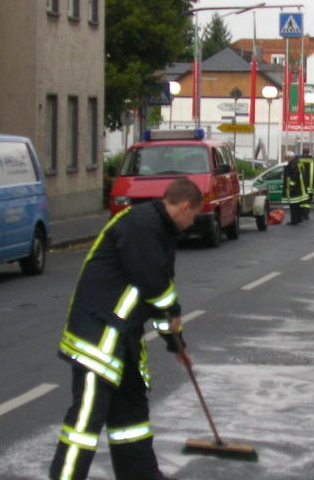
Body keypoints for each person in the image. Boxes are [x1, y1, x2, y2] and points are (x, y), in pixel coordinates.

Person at [49, 178, 203, 480]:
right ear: (185, 207)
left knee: (130, 420)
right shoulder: (141, 226)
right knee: (85, 423)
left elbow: (159, 299)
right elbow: (156, 287)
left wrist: (176, 345)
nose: (193, 221)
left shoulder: (161, 231)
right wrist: (173, 315)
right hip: (97, 339)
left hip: (124, 339)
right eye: (194, 215)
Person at [297, 147, 314, 220]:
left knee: (301, 200)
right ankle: (306, 215)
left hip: (301, 185)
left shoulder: (298, 160)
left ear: (302, 151)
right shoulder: (313, 161)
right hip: (311, 185)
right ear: (308, 152)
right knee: (308, 200)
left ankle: (301, 214)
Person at [282, 150, 307, 225]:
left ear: (289, 157)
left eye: (286, 158)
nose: (286, 159)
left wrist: (291, 186)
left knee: (293, 206)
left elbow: (294, 176)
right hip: (299, 188)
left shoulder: (292, 165)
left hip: (294, 189)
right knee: (298, 206)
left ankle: (294, 220)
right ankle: (298, 219)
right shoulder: (298, 163)